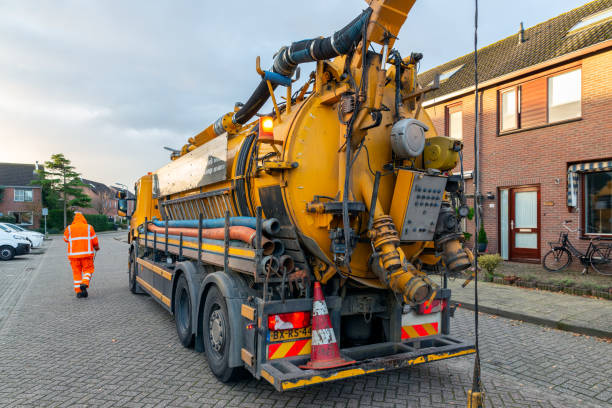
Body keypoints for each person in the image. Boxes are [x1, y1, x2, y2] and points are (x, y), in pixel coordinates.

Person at [63, 212, 99, 298]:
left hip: (74, 257)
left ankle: (79, 292)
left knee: (77, 274)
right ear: (83, 219)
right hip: (86, 255)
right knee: (88, 270)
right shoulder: (89, 227)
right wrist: (97, 247)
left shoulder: (69, 228)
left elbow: (65, 239)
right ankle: (85, 283)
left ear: (74, 220)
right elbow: (95, 241)